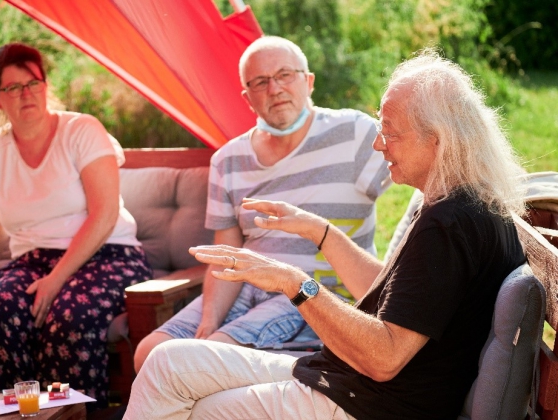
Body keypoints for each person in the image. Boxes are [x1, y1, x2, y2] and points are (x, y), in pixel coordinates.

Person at [123, 48, 528, 419]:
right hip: (347, 381)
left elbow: (384, 358)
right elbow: (400, 299)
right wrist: (320, 231)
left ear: (436, 138)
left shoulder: (449, 224)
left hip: (366, 403)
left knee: (194, 405)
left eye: (390, 132)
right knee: (166, 361)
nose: (378, 144)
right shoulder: (467, 207)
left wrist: (293, 282)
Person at [133, 36, 390, 372]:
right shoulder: (228, 160)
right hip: (245, 289)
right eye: (261, 82)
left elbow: (421, 181)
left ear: (308, 81)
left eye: (285, 75)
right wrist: (208, 322)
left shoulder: (355, 134)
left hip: (312, 292)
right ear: (247, 97)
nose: (275, 89)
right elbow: (225, 258)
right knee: (149, 352)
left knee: (207, 357)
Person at [0, 43, 153, 407]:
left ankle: (74, 416)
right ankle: (15, 415)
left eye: (33, 82)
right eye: (13, 87)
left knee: (69, 317)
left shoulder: (82, 130)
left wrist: (56, 280)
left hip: (107, 254)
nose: (26, 93)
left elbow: (104, 214)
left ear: (46, 86)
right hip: (32, 261)